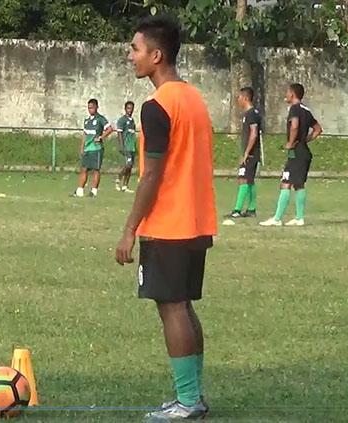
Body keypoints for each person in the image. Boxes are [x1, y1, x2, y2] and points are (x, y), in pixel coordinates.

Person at [115, 15, 216, 420]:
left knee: (172, 309)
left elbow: (152, 174)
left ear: (156, 56)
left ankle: (188, 401)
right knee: (184, 307)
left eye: (135, 49)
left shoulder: (156, 107)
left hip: (168, 223)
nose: (130, 56)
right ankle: (193, 396)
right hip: (197, 220)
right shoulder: (193, 98)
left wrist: (129, 230)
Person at [259, 83, 322, 227]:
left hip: (296, 152)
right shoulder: (306, 110)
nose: (285, 95)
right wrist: (305, 140)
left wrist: (291, 142)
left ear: (292, 94)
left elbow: (294, 125)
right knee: (299, 184)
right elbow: (318, 129)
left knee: (285, 183)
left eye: (287, 92)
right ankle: (299, 218)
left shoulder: (294, 109)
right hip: (304, 151)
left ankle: (277, 218)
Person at [227, 86, 262, 218]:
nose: (238, 100)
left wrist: (247, 152)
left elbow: (253, 134)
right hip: (252, 152)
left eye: (239, 98)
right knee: (249, 180)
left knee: (243, 179)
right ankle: (252, 209)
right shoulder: (252, 113)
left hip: (251, 153)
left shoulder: (251, 114)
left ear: (246, 98)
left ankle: (237, 210)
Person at [73, 99, 112, 198]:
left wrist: (101, 137)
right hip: (87, 148)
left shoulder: (100, 119)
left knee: (96, 170)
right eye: (89, 108)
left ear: (96, 107)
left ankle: (93, 191)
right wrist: (82, 147)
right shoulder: (87, 120)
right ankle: (80, 191)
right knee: (84, 169)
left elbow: (110, 129)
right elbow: (85, 134)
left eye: (92, 107)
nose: (90, 109)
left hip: (96, 148)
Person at [115, 101, 137, 193]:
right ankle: (118, 178)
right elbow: (119, 133)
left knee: (130, 166)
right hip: (126, 147)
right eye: (128, 108)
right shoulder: (122, 120)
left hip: (132, 147)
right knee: (128, 165)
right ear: (125, 109)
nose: (130, 110)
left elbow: (132, 134)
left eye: (131, 108)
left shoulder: (132, 121)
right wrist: (121, 145)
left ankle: (125, 186)